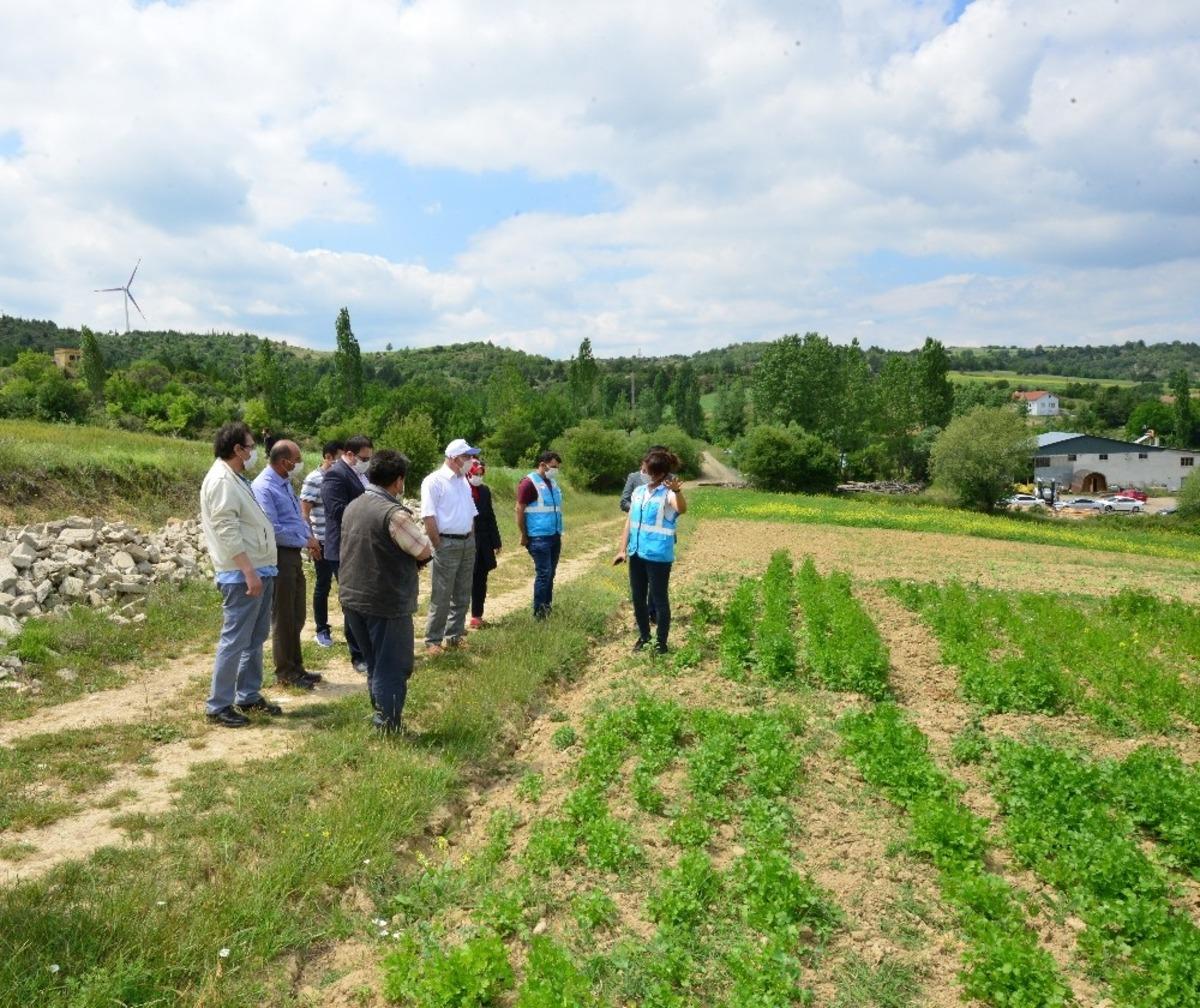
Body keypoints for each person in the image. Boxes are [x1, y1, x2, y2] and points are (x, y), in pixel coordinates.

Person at [339, 450, 432, 733]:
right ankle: (389, 725)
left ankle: (380, 715)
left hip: (353, 598)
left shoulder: (353, 505)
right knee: (392, 666)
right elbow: (423, 549)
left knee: (374, 662)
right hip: (385, 601)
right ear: (398, 481)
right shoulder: (394, 514)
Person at [199, 421, 282, 727]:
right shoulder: (222, 480)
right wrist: (249, 572)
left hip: (260, 568)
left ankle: (248, 694)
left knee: (255, 637)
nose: (253, 453)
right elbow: (227, 529)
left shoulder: (235, 477)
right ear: (237, 449)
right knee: (235, 640)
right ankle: (218, 705)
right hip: (242, 573)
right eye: (250, 447)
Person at [252, 440, 322, 689]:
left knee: (297, 614)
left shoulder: (284, 483)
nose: (299, 464)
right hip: (279, 555)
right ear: (285, 462)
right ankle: (285, 672)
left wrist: (309, 536)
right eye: (297, 459)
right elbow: (271, 528)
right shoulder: (264, 487)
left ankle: (297, 666)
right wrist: (304, 539)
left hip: (293, 554)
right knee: (283, 616)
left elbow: (296, 517)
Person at [614, 449, 686, 653]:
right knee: (637, 598)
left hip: (657, 556)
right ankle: (644, 637)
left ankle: (660, 643)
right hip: (636, 553)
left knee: (659, 599)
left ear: (658, 472)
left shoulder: (669, 493)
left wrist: (678, 492)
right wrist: (622, 549)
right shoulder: (639, 492)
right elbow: (630, 521)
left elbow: (681, 509)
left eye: (646, 468)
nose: (642, 470)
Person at [421, 439, 480, 654]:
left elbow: (471, 512)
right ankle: (433, 640)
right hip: (446, 542)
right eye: (467, 457)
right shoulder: (434, 481)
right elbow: (428, 516)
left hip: (466, 542)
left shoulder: (463, 480)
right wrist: (438, 544)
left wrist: (470, 536)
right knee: (442, 594)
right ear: (455, 458)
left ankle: (454, 636)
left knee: (463, 593)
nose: (471, 461)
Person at [320, 435, 374, 673]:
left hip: (362, 546)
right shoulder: (336, 474)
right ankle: (358, 655)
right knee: (352, 604)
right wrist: (368, 511)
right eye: (364, 458)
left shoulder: (362, 474)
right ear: (350, 454)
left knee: (365, 600)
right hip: (343, 549)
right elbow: (337, 511)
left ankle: (368, 647)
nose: (367, 462)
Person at [619, 444, 670, 624]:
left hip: (660, 539)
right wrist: (638, 511)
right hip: (639, 535)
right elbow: (624, 501)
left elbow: (676, 507)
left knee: (656, 586)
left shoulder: (670, 480)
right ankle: (643, 619)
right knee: (640, 585)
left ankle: (654, 612)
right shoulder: (634, 478)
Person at [300, 440, 341, 648]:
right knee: (323, 585)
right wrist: (310, 539)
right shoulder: (314, 479)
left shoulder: (342, 478)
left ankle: (355, 630)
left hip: (342, 542)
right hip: (322, 542)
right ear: (328, 457)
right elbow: (304, 512)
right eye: (339, 457)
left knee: (347, 587)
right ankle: (322, 630)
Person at [516, 451, 563, 619]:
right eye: (553, 466)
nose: (555, 470)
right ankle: (539, 613)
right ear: (543, 464)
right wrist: (524, 534)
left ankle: (546, 608)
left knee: (550, 573)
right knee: (544, 573)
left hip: (554, 536)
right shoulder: (528, 483)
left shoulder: (553, 483)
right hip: (538, 538)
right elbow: (519, 510)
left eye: (557, 467)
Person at [467, 459, 502, 629]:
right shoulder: (461, 489)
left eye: (481, 474)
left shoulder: (485, 491)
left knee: (481, 578)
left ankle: (476, 615)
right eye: (475, 474)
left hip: (484, 541)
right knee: (462, 580)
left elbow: (490, 516)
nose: (478, 477)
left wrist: (496, 541)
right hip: (466, 540)